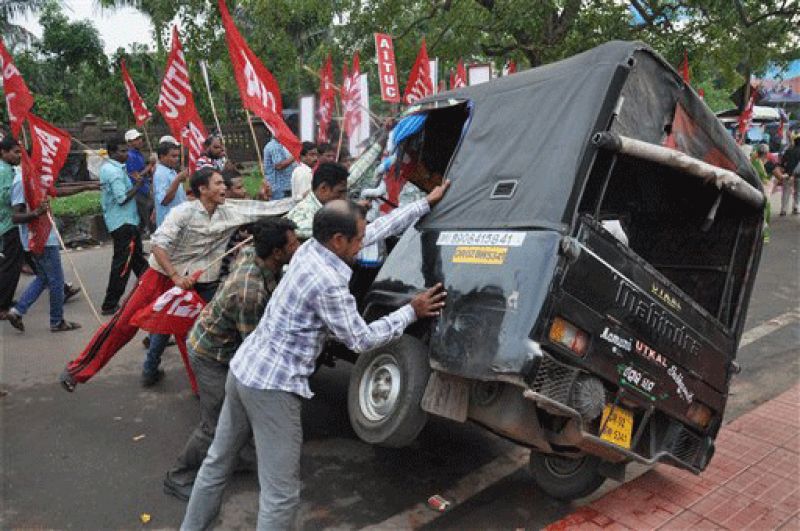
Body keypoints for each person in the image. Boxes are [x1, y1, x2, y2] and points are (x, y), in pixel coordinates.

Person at [181, 181, 450, 530]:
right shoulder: (328, 282)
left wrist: (424, 204)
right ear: (338, 241)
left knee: (217, 463)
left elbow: (376, 230)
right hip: (273, 388)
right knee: (280, 495)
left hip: (244, 369)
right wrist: (411, 311)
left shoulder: (311, 248)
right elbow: (361, 339)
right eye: (357, 238)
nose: (362, 242)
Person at [59, 168, 293, 392]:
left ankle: (202, 392)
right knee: (123, 325)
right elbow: (158, 245)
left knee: (194, 338)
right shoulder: (183, 212)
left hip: (197, 285)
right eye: (219, 183)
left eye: (224, 183)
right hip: (160, 277)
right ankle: (77, 371)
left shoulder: (231, 210)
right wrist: (175, 276)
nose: (224, 188)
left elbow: (271, 209)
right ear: (203, 189)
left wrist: (304, 199)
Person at [163, 218, 299, 501]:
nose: (298, 247)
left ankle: (233, 459)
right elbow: (253, 346)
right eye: (294, 244)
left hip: (219, 344)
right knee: (213, 424)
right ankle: (177, 476)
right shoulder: (250, 292)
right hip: (211, 354)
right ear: (277, 253)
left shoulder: (255, 253)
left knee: (236, 411)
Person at [5, 174, 96, 332]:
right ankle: (57, 320)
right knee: (56, 281)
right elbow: (15, 216)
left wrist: (85, 186)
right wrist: (36, 213)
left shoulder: (34, 175)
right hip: (41, 239)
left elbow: (55, 191)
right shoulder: (22, 179)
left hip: (43, 237)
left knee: (44, 277)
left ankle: (17, 311)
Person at [99, 136, 149, 315]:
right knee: (123, 265)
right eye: (122, 151)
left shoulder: (113, 168)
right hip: (123, 223)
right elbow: (121, 198)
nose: (126, 154)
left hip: (127, 221)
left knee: (138, 262)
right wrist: (137, 185)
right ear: (112, 153)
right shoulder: (113, 172)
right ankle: (110, 303)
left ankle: (151, 292)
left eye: (126, 150)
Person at [285, 162, 348, 239]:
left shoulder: (325, 208)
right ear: (323, 188)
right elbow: (296, 230)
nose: (344, 198)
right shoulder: (303, 212)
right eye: (340, 192)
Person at [0, 135, 24, 321]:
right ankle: (2, 306)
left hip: (9, 223)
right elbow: (6, 197)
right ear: (4, 152)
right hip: (9, 223)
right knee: (11, 265)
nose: (19, 155)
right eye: (16, 152)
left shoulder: (8, 169)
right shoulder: (5, 171)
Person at [124, 129, 155, 236]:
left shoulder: (138, 154)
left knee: (144, 220)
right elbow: (136, 176)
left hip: (144, 189)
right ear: (129, 143)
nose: (140, 141)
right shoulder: (130, 156)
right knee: (149, 219)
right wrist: (150, 165)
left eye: (139, 138)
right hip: (138, 192)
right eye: (136, 139)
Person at [153, 142, 189, 228]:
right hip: (169, 224)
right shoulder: (160, 174)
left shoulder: (171, 171)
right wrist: (178, 179)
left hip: (178, 221)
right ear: (162, 157)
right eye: (173, 156)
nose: (177, 159)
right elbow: (164, 200)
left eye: (178, 156)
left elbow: (181, 194)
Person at [262, 132, 296, 199]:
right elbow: (279, 166)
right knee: (280, 208)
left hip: (280, 186)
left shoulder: (277, 145)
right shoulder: (274, 146)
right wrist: (295, 155)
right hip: (278, 187)